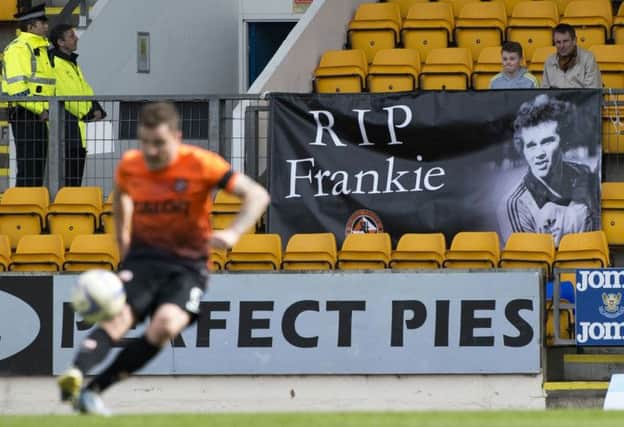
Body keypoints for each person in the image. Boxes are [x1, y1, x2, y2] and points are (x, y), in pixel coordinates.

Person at [57, 102, 270, 415]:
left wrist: (234, 233)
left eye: (159, 143)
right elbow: (122, 200)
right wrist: (123, 243)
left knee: (166, 325)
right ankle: (75, 373)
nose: (151, 151)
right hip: (143, 258)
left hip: (188, 265)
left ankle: (94, 391)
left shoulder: (201, 163)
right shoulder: (132, 164)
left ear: (177, 137)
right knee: (119, 318)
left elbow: (258, 195)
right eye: (145, 142)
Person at [502, 94, 599, 246]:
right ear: (523, 149)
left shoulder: (585, 175)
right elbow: (530, 263)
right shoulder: (516, 204)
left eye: (547, 141)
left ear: (564, 142)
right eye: (531, 145)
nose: (539, 153)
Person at [1, 4, 55, 186]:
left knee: (36, 167)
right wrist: (41, 110)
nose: (46, 26)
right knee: (29, 168)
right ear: (30, 27)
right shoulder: (19, 49)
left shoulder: (40, 48)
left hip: (38, 113)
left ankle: (30, 206)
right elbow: (18, 89)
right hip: (28, 114)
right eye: (42, 23)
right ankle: (23, 209)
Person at [49, 24, 106, 187]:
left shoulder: (71, 62)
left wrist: (96, 107)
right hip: (67, 129)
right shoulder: (55, 62)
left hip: (77, 130)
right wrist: (89, 113)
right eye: (71, 36)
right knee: (69, 180)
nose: (76, 38)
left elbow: (85, 88)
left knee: (75, 179)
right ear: (60, 42)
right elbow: (65, 94)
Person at [541, 23, 602, 89]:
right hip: (554, 99)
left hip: (581, 99)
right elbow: (544, 93)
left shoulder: (588, 59)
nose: (562, 46)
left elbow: (592, 93)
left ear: (574, 41)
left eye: (565, 41)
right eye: (558, 42)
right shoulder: (549, 61)